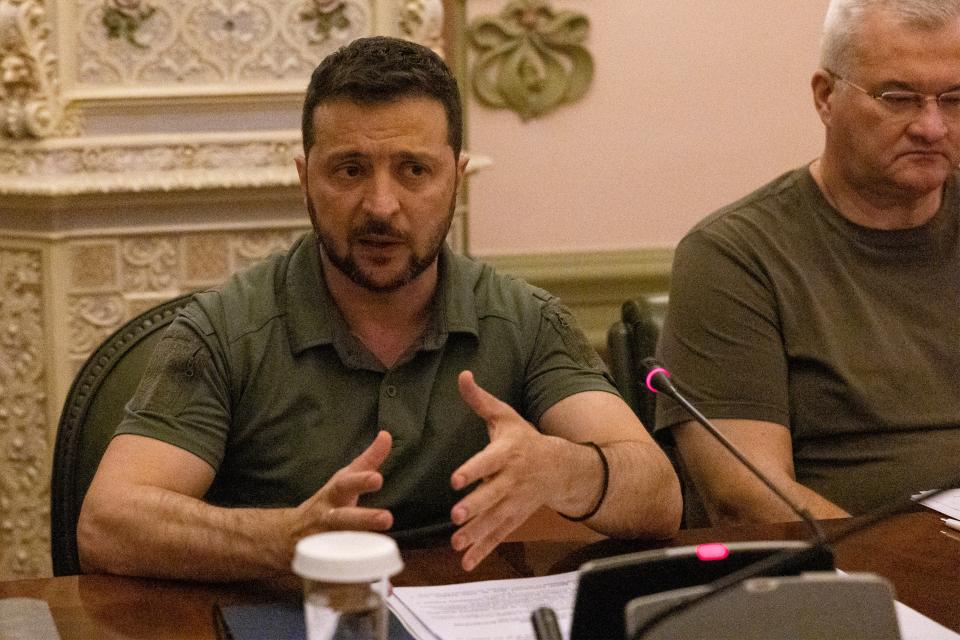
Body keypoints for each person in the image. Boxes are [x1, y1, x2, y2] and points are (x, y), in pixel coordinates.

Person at [77, 36, 681, 580]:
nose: (381, 205)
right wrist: (286, 538)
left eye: (414, 170)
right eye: (350, 169)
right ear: (304, 176)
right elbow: (107, 523)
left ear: (457, 179)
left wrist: (561, 469)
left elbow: (659, 496)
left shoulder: (524, 319)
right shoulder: (223, 328)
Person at [655, 0, 960, 525]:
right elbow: (746, 493)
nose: (932, 127)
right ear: (825, 96)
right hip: (853, 582)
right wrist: (928, 568)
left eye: (954, 99)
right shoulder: (736, 255)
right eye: (898, 98)